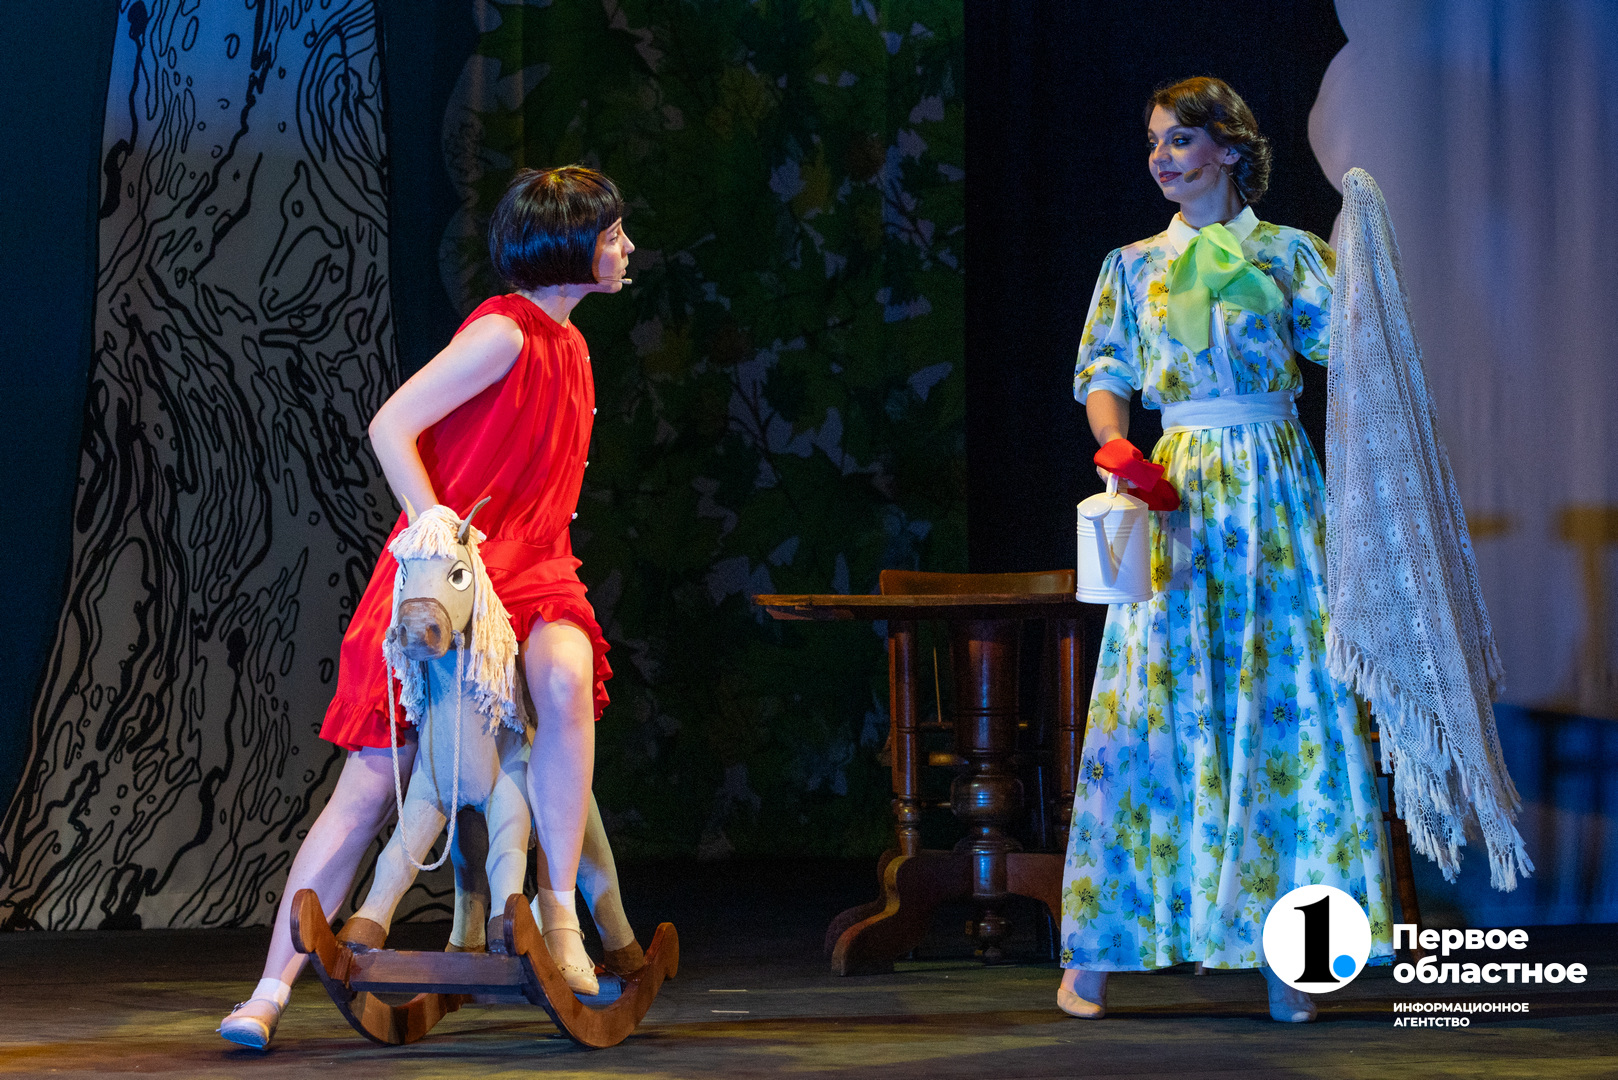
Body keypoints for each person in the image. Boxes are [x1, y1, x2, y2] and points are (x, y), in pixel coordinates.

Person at [219, 165, 632, 1048]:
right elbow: (390, 423)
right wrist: (438, 528)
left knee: (566, 680)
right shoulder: (506, 333)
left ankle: (559, 912)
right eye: (611, 235)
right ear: (569, 244)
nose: (626, 248)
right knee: (372, 782)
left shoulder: (570, 346)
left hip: (536, 570)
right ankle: (268, 990)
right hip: (456, 577)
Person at [1056, 77, 1393, 1023]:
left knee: (1285, 702)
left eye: (1180, 140)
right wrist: (1116, 447)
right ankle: (1102, 951)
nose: (1161, 157)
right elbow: (1105, 367)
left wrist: (1368, 266)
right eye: (1154, 141)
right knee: (1153, 702)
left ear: (1230, 150)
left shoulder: (1288, 254)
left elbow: (1354, 355)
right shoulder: (1133, 266)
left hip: (1272, 488)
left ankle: (1295, 958)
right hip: (1177, 489)